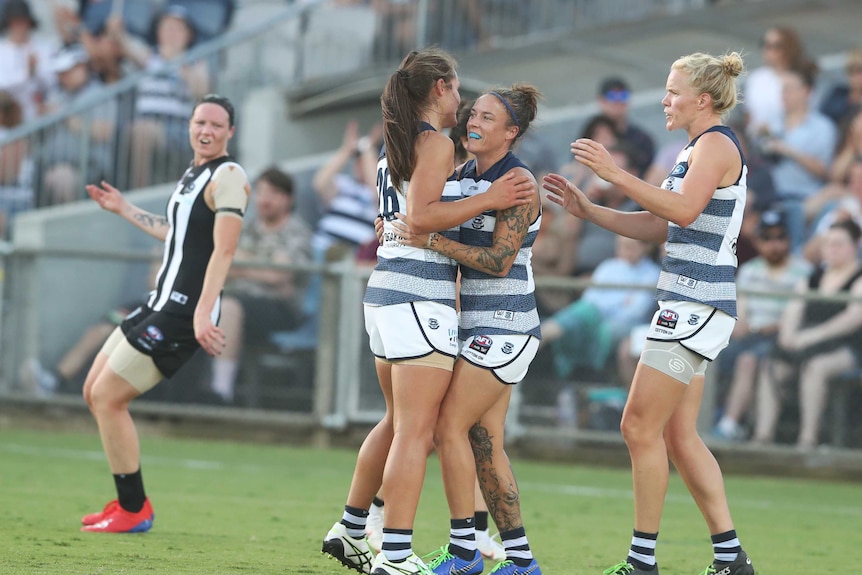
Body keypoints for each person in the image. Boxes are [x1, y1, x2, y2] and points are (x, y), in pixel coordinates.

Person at [320, 48, 532, 575]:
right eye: (459, 90)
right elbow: (419, 217)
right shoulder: (432, 140)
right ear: (439, 88)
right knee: (420, 431)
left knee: (397, 424)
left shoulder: (397, 141)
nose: (463, 103)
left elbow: (399, 220)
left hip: (387, 292)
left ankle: (349, 528)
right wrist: (489, 198)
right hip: (419, 299)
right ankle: (395, 554)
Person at [544, 51, 756, 575]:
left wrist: (616, 173)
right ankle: (731, 558)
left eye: (672, 90)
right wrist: (589, 210)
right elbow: (659, 224)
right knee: (678, 436)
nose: (664, 100)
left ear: (702, 100)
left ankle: (642, 562)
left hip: (694, 303)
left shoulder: (714, 145)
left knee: (638, 425)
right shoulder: (697, 148)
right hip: (692, 301)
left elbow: (681, 210)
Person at [79, 94, 250, 533]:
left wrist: (201, 312)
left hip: (180, 312)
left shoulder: (229, 175)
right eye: (200, 122)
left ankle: (134, 510)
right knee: (93, 390)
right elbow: (178, 236)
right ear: (190, 127)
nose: (206, 130)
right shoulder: (194, 174)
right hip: (159, 302)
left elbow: (224, 249)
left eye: (216, 124)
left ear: (230, 132)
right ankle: (129, 503)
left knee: (108, 397)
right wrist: (124, 209)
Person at [392, 83, 544, 575]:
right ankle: (520, 559)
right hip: (477, 325)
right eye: (472, 114)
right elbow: (426, 214)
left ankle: (464, 552)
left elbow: (500, 261)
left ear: (511, 132)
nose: (472, 123)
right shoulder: (462, 174)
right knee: (484, 440)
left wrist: (432, 239)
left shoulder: (519, 182)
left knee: (447, 427)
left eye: (486, 119)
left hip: (507, 326)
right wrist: (396, 228)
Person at [751, 219, 862, 449]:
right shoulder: (812, 277)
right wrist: (788, 335)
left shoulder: (859, 278)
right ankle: (762, 436)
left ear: (854, 247)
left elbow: (852, 319)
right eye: (828, 244)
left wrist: (812, 337)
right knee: (772, 364)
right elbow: (794, 309)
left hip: (847, 346)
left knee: (816, 367)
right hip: (806, 341)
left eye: (839, 244)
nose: (832, 249)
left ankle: (807, 439)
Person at [209, 166, 313, 404]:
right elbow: (224, 266)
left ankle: (220, 393)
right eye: (261, 192)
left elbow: (279, 276)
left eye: (273, 193)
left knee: (230, 308)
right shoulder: (249, 229)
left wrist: (242, 265)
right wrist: (260, 269)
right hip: (242, 299)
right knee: (209, 303)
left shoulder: (296, 232)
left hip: (281, 308)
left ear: (288, 198)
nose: (265, 199)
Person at [711, 210, 811, 442]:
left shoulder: (803, 272)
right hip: (749, 335)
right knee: (708, 355)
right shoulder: (749, 270)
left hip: (780, 337)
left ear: (788, 239)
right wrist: (741, 324)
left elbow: (800, 314)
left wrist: (768, 328)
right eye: (767, 238)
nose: (774, 244)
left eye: (779, 237)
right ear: (757, 241)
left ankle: (729, 424)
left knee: (749, 361)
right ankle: (703, 420)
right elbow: (741, 307)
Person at [539, 235, 660, 384]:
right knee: (584, 312)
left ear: (645, 247)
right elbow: (590, 299)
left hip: (626, 325)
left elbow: (635, 311)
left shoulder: (652, 274)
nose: (624, 250)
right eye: (621, 245)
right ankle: (548, 334)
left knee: (597, 323)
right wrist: (622, 300)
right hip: (593, 316)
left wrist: (607, 301)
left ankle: (544, 334)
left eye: (630, 246)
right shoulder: (608, 266)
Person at [762, 63, 837, 253]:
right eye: (782, 88)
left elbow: (824, 171)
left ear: (807, 91)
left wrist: (788, 150)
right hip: (770, 197)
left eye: (789, 88)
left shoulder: (822, 127)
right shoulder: (772, 123)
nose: (783, 93)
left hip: (806, 199)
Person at [743, 26, 808, 139]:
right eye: (765, 45)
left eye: (775, 46)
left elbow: (805, 115)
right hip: (757, 139)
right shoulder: (756, 78)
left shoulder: (799, 79)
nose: (767, 50)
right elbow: (749, 115)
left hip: (793, 139)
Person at [0, 0, 55, 122]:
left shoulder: (44, 47)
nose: (19, 26)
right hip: (8, 120)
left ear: (29, 23)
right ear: (8, 24)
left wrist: (36, 71)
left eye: (22, 21)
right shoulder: (1, 50)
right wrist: (27, 73)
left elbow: (52, 82)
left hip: (41, 115)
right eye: (14, 22)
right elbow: (2, 85)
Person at [595, 76, 656, 177]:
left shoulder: (642, 140)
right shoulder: (590, 134)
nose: (618, 101)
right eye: (612, 96)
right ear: (601, 101)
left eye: (623, 96)